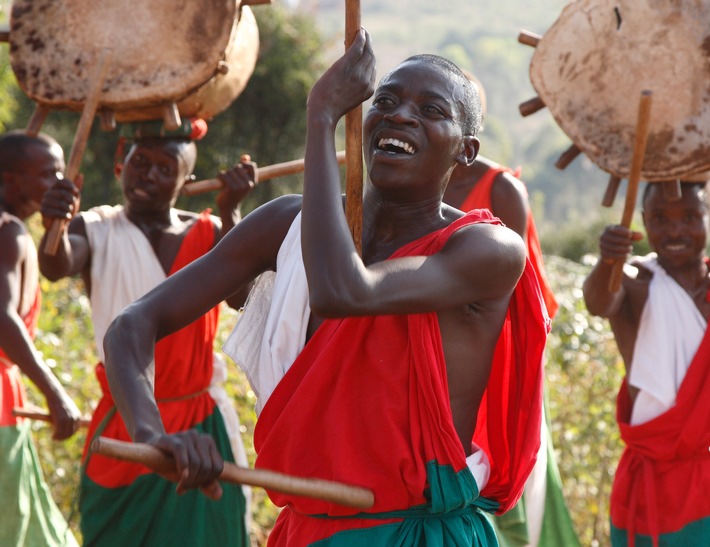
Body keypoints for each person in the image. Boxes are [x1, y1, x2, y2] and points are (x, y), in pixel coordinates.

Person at [100, 29, 549, 546]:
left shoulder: (486, 250)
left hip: (416, 533)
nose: (402, 115)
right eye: (386, 100)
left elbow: (343, 293)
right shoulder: (284, 224)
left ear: (466, 151)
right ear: (365, 117)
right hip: (304, 533)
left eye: (431, 110)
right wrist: (153, 437)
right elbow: (133, 325)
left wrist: (320, 119)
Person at [38, 120, 255, 546]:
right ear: (121, 164)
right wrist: (54, 224)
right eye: (140, 163)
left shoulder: (210, 233)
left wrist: (231, 211)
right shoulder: (93, 228)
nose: (148, 175)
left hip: (200, 426)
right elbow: (56, 264)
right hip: (127, 420)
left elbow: (239, 295)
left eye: (164, 167)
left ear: (187, 180)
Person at [444, 74, 579, 547]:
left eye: (438, 112)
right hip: (433, 366)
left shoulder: (502, 190)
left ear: (468, 133)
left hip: (490, 361)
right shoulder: (409, 186)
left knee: (499, 483)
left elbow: (522, 302)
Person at [582, 180, 710, 546]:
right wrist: (609, 258)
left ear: (706, 217)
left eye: (689, 217)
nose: (675, 231)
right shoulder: (635, 283)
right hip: (649, 482)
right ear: (642, 221)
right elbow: (598, 303)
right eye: (659, 218)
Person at [0, 130, 81, 547]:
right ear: (10, 180)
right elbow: (3, 317)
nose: (60, 183)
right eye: (48, 174)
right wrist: (54, 392)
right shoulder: (9, 232)